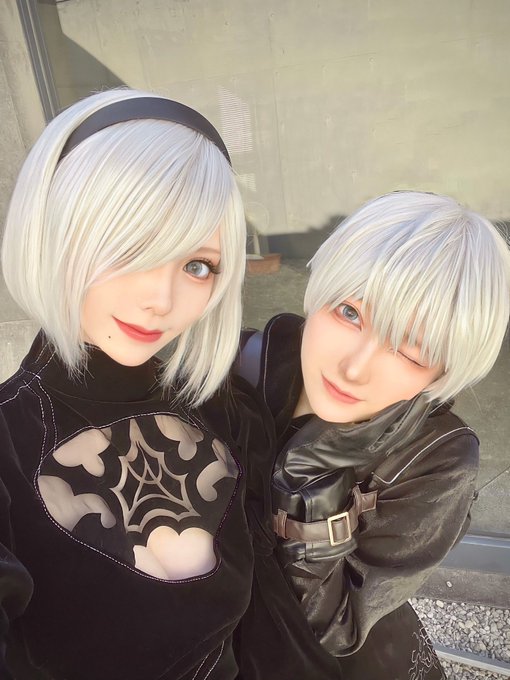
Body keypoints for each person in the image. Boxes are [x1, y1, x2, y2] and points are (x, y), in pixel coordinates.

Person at [0, 88, 269, 680]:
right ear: (52, 233)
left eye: (197, 265)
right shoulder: (8, 443)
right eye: (131, 248)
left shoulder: (222, 406)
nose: (161, 299)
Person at [235, 191, 510, 680]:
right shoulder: (243, 366)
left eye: (411, 351)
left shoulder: (437, 459)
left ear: (444, 372)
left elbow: (338, 627)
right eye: (349, 313)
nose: (355, 368)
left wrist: (310, 493)